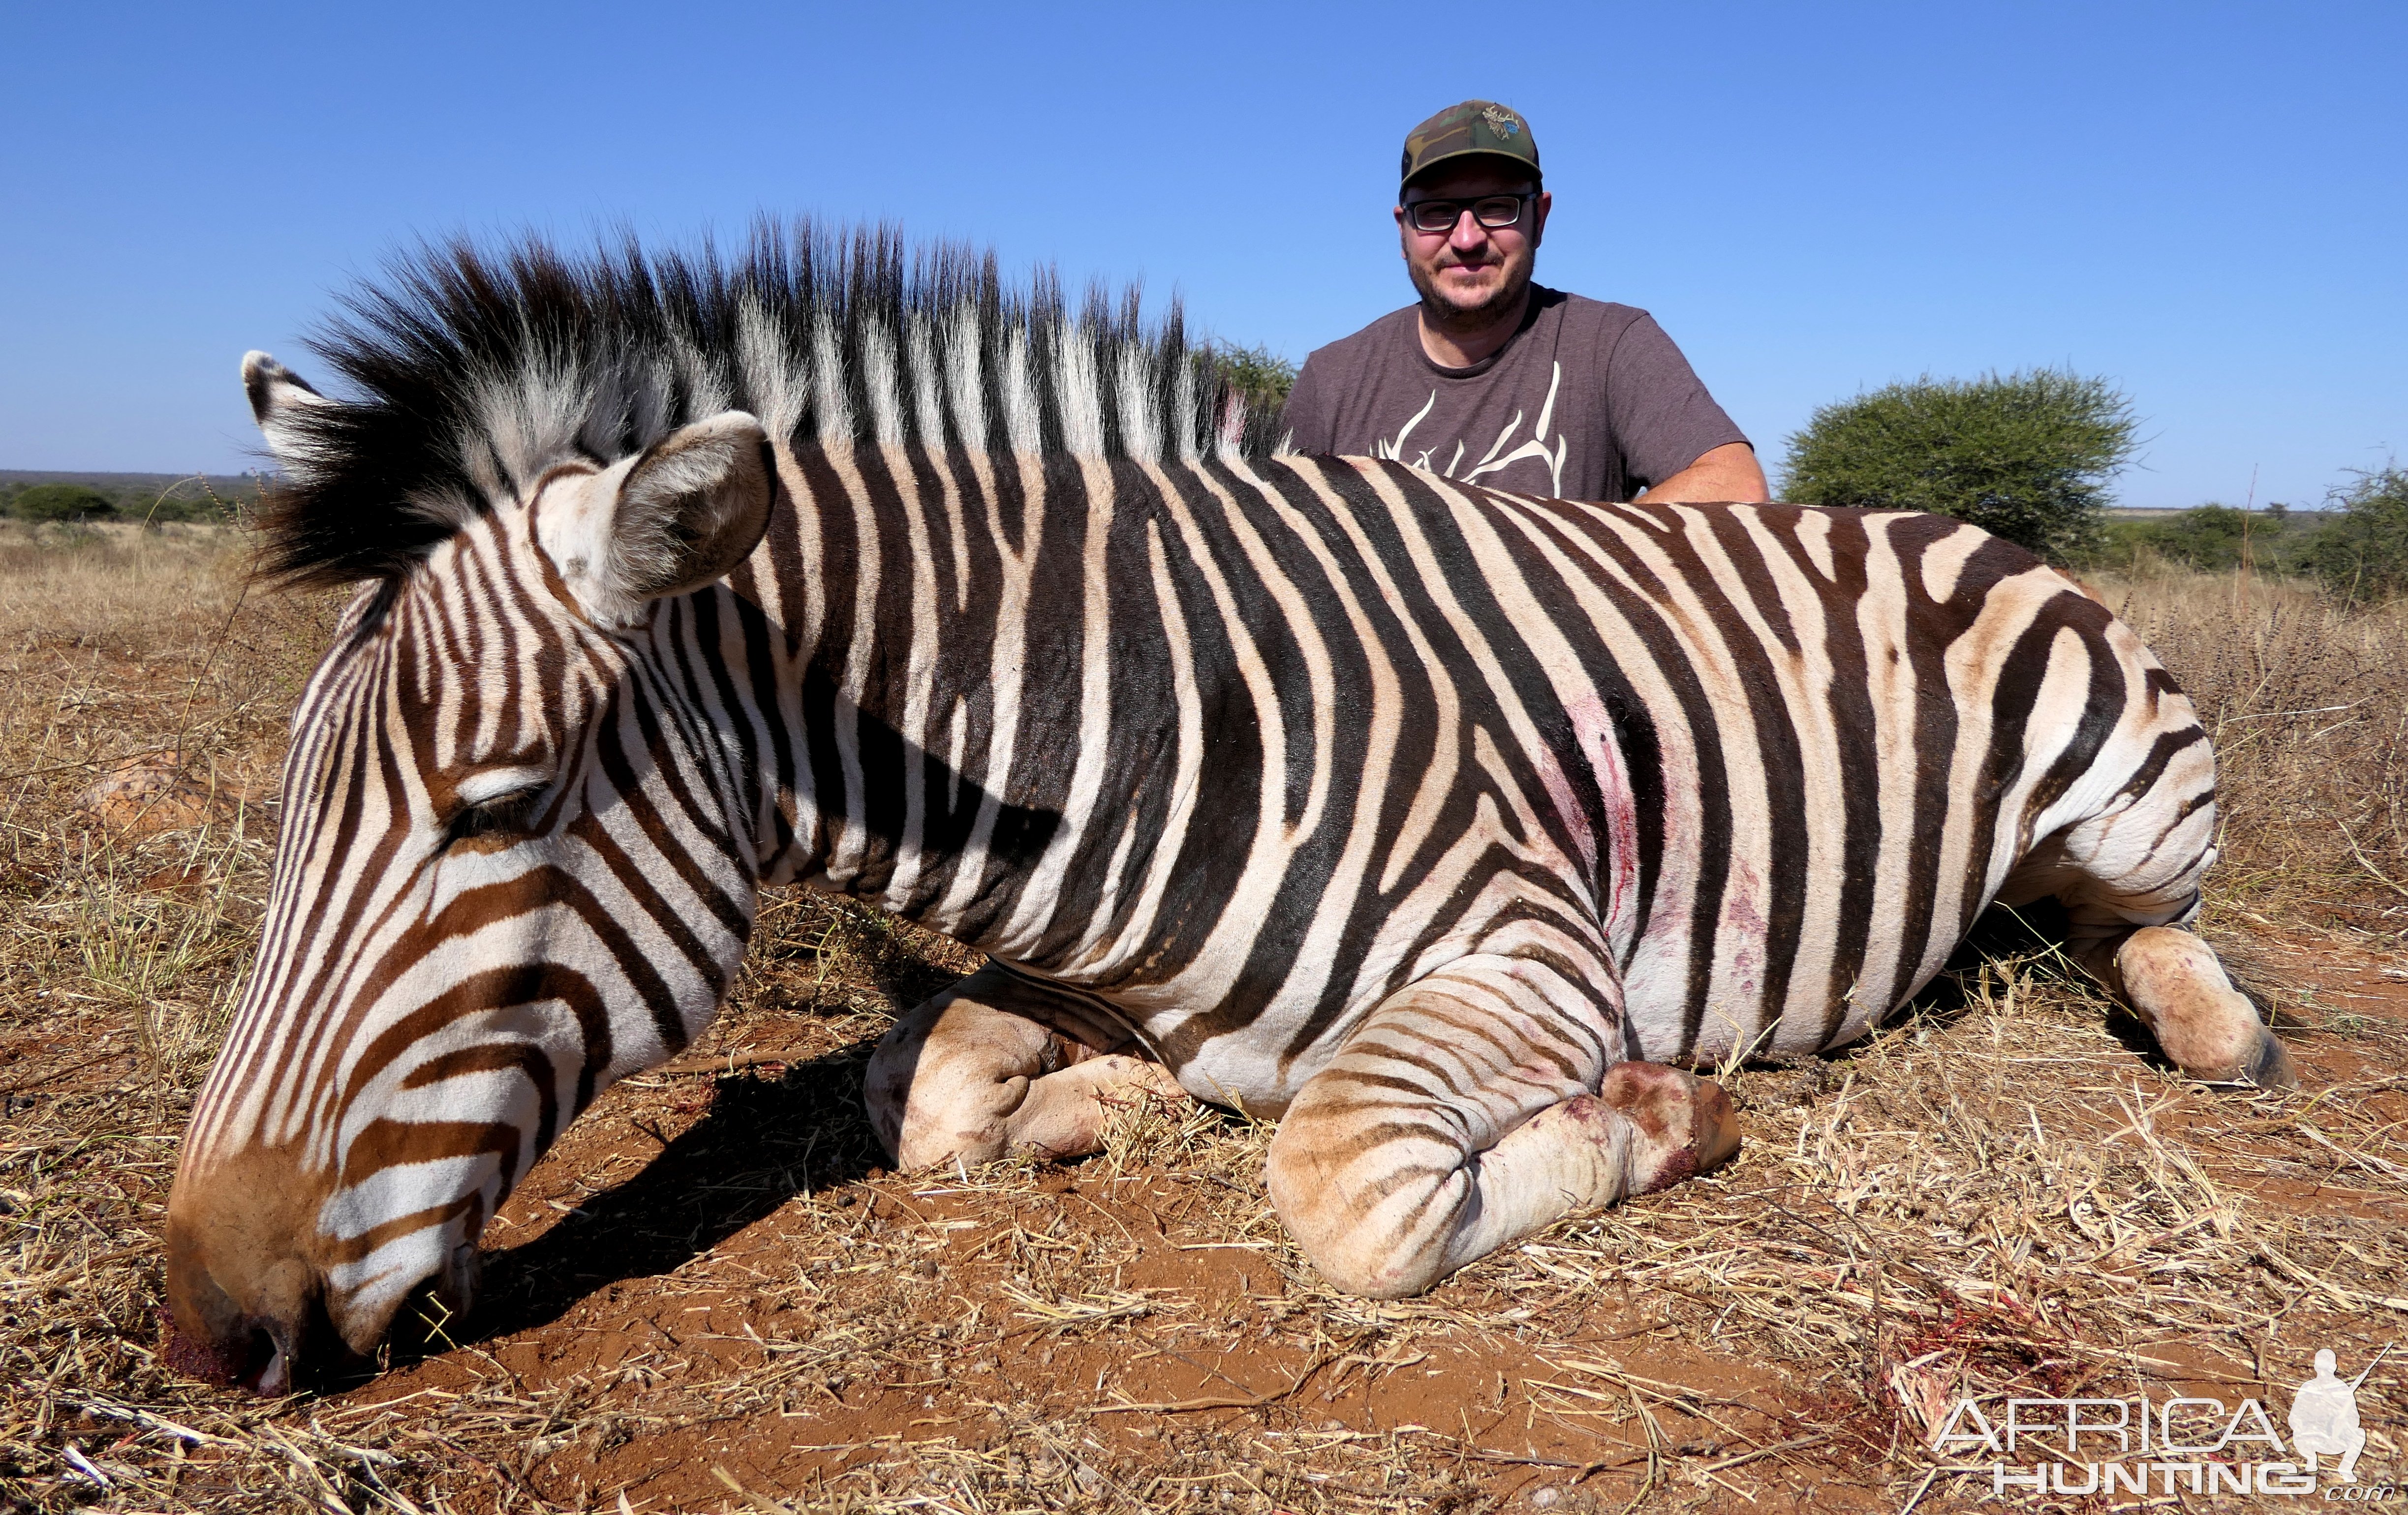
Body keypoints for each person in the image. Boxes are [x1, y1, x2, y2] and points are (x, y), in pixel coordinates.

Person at [1278, 100, 1768, 505]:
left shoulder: (1612, 344)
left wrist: (1541, 568)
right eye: (1436, 212)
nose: (1466, 238)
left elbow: (1736, 485)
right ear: (1403, 231)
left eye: (1497, 207)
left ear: (1541, 217)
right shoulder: (1331, 381)